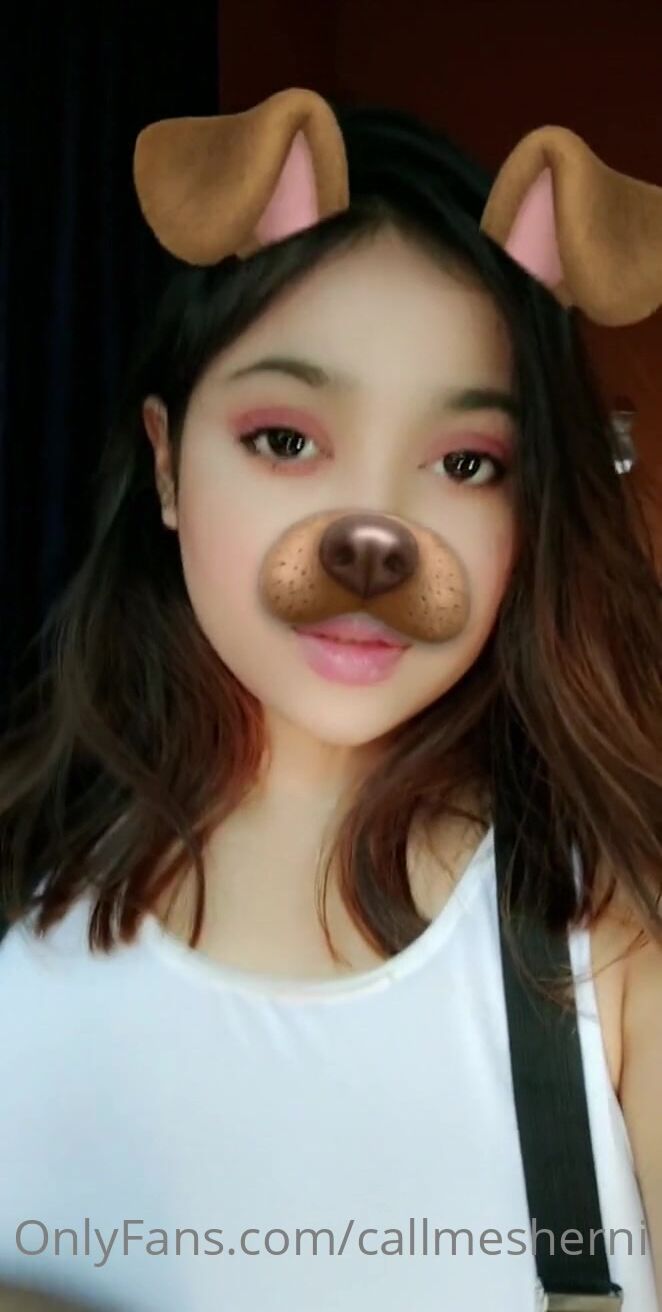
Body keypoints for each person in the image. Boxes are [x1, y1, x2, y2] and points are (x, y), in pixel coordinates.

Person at [0, 94, 660, 1312]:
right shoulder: (23, 894)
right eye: (286, 440)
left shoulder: (606, 937)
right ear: (165, 462)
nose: (374, 537)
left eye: (464, 462)